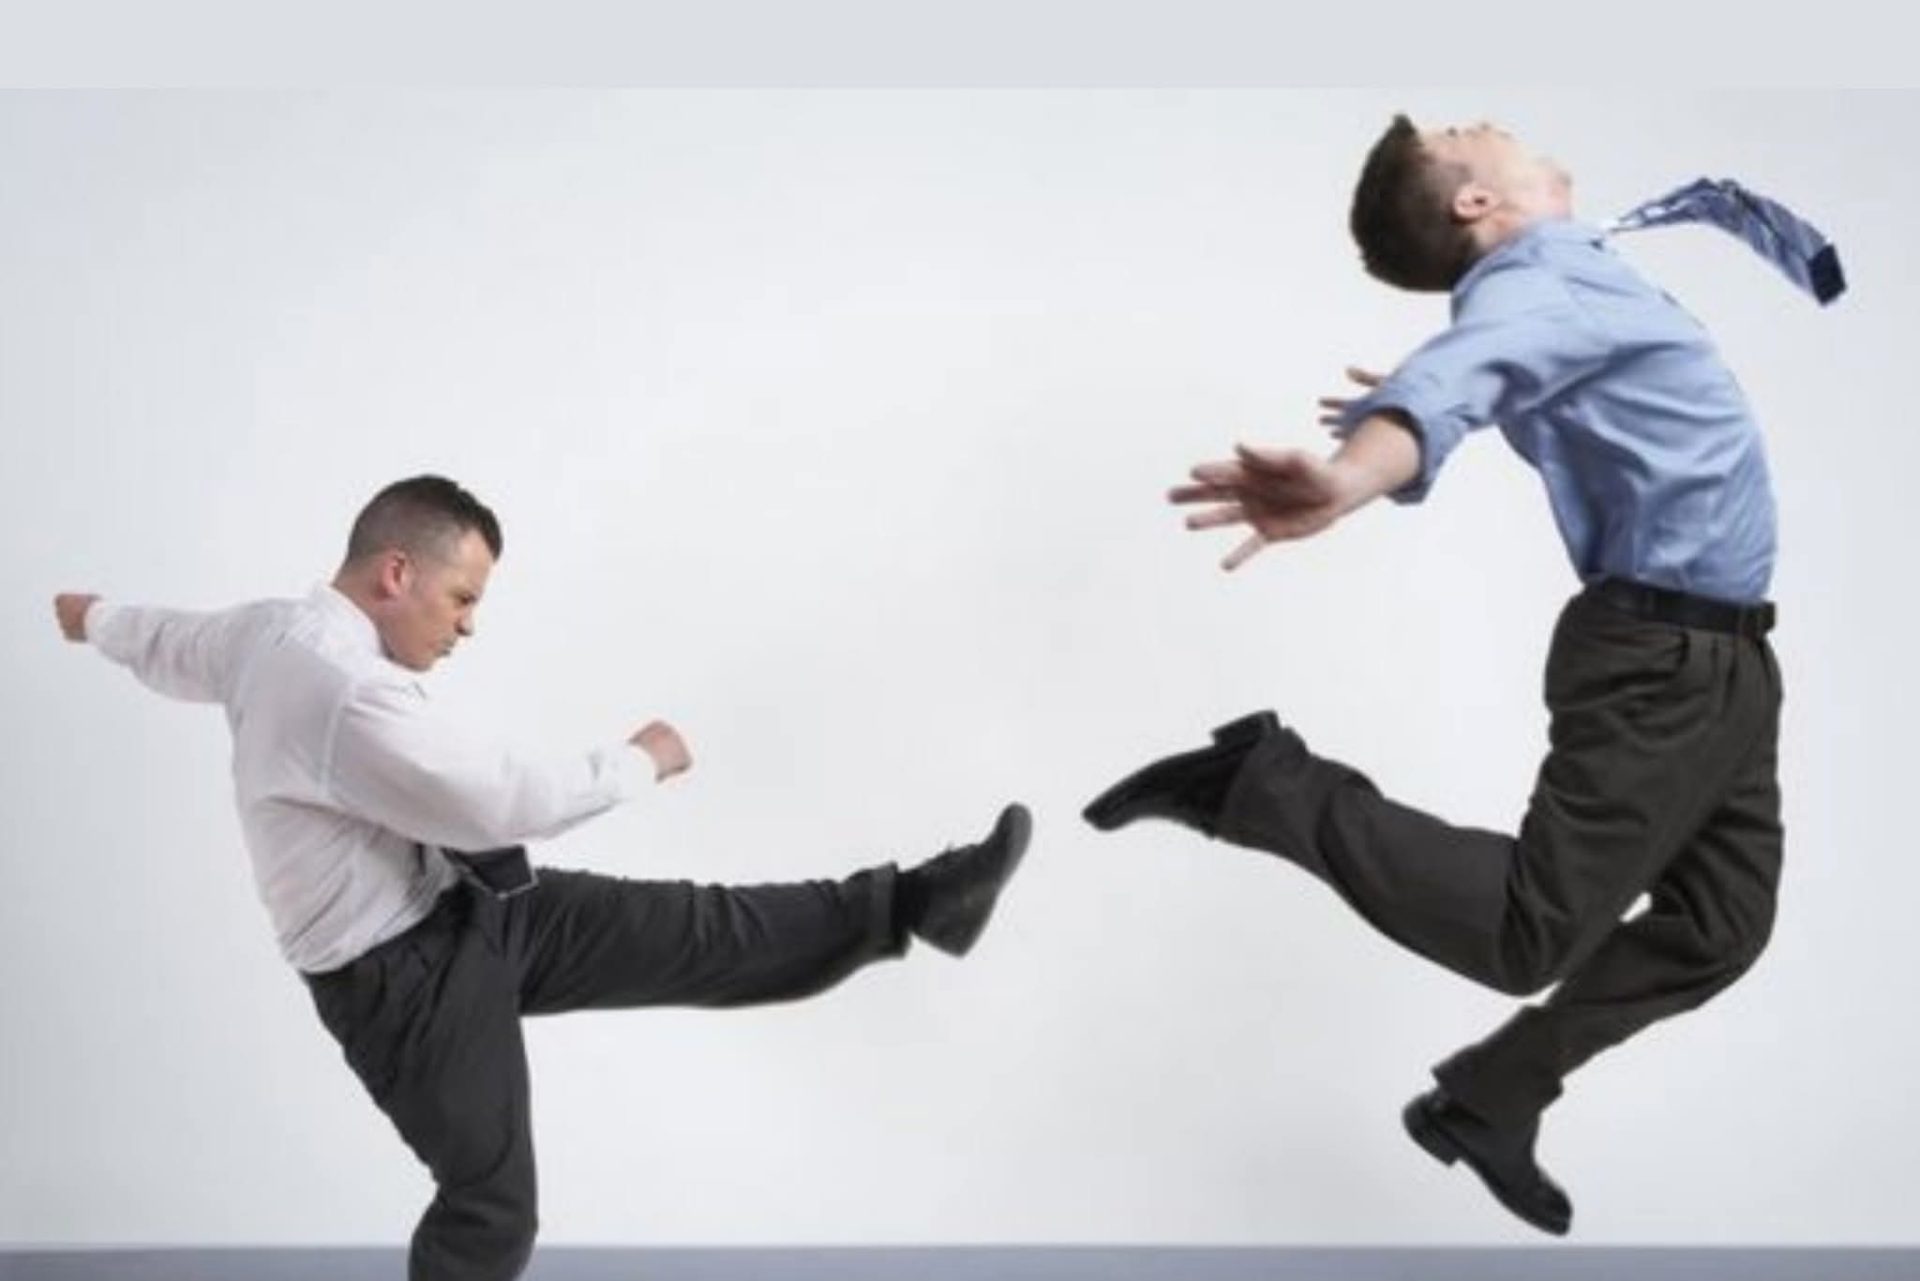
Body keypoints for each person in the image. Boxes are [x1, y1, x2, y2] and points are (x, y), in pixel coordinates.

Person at [1084, 117, 1787, 1236]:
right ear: (1474, 203)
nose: (1491, 122)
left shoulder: (1567, 277)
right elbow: (1458, 378)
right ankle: (1260, 785)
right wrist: (1353, 470)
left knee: (1721, 926)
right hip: (1665, 663)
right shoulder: (1533, 284)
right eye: (1466, 133)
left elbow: (1490, 373)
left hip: (1734, 659)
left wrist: (1448, 398)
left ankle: (1490, 1098)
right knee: (1525, 933)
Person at [55, 474, 1031, 1281]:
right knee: (490, 1210)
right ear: (397, 573)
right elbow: (501, 801)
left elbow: (163, 639)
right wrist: (644, 756)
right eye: (462, 597)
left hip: (474, 906)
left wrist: (87, 616)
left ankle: (917, 902)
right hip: (399, 983)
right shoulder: (345, 692)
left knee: (699, 928)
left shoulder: (263, 633)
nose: (468, 625)